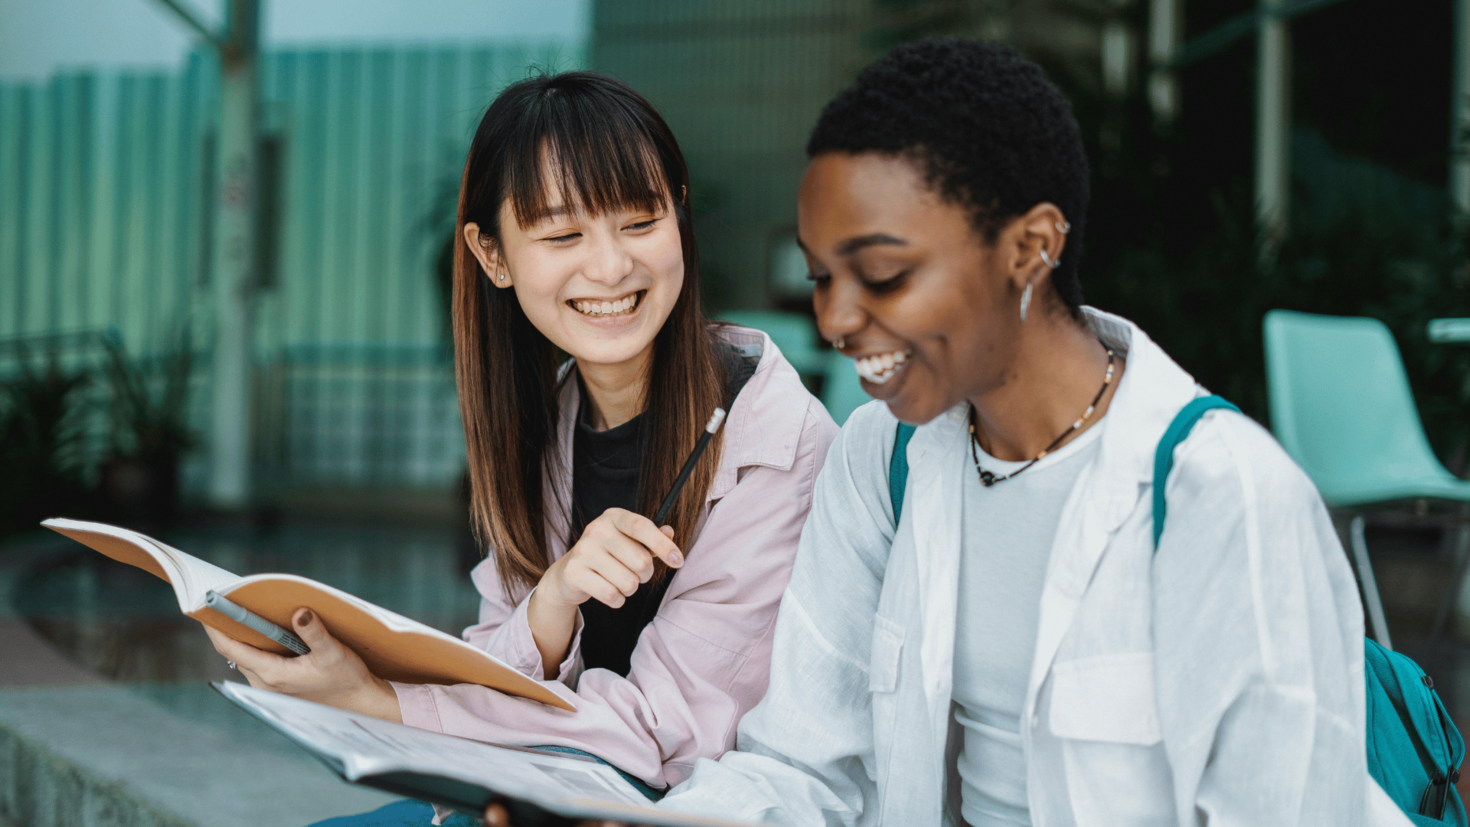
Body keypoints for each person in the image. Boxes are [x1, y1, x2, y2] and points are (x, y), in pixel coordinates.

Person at [645, 38, 1401, 826]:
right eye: (821, 277)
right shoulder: (882, 459)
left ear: (1031, 247)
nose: (834, 319)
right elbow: (802, 766)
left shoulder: (1221, 497)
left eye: (884, 274)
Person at [205, 71, 837, 822]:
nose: (610, 267)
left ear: (680, 210)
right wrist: (551, 601)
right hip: (548, 796)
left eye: (640, 221)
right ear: (492, 255)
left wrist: (381, 700)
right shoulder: (549, 423)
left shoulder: (774, 439)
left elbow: (667, 732)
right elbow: (489, 658)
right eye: (564, 234)